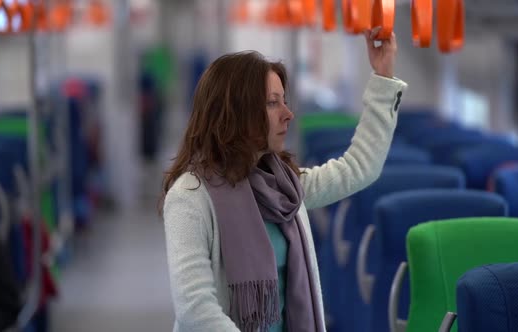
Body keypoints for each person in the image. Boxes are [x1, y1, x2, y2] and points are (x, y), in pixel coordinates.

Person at [161, 27, 407, 332]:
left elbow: (360, 167)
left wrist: (382, 77)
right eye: (272, 103)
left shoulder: (282, 186)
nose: (288, 114)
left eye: (284, 101)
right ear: (237, 112)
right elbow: (196, 309)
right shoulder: (190, 196)